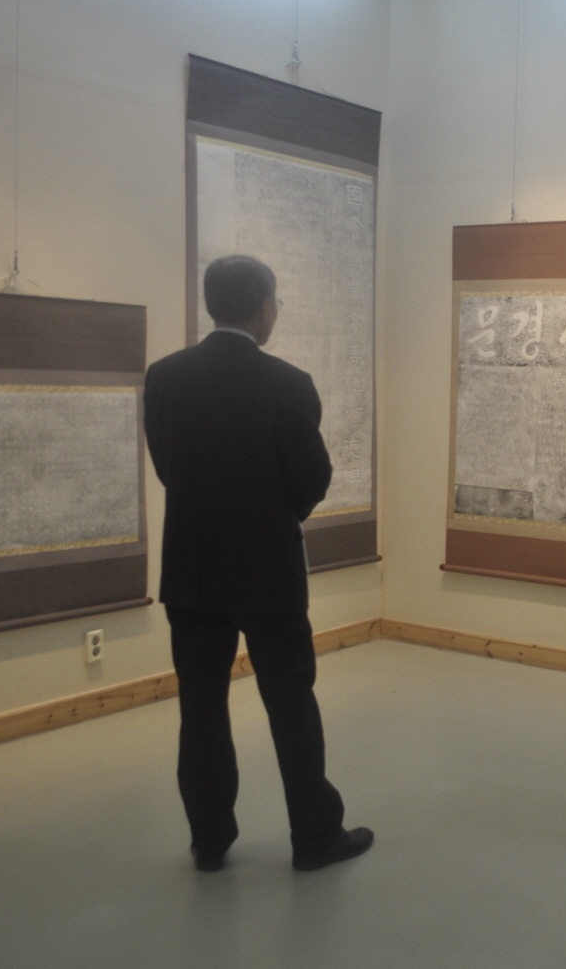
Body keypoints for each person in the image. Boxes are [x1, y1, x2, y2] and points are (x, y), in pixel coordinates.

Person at [144, 255, 372, 872]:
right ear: (265, 308)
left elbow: (167, 466)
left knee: (201, 707)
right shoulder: (287, 383)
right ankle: (315, 837)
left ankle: (210, 841)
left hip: (192, 571)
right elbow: (313, 476)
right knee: (291, 702)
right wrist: (274, 515)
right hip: (269, 570)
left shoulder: (165, 376)